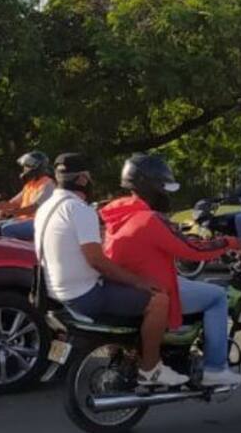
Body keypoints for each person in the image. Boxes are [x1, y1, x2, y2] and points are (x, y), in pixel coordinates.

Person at [32, 153, 184, 389]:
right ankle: (151, 369)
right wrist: (138, 281)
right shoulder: (78, 209)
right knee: (159, 299)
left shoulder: (47, 206)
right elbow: (97, 261)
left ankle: (123, 354)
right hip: (85, 296)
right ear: (82, 179)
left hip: (57, 294)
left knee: (124, 290)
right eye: (89, 178)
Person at [100, 155, 241, 388]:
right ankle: (215, 369)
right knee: (217, 296)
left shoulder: (120, 212)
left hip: (130, 284)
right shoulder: (149, 220)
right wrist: (230, 243)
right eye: (164, 188)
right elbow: (191, 248)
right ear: (151, 187)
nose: (167, 195)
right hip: (152, 289)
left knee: (195, 285)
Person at [0, 152, 55, 241]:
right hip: (24, 220)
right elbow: (13, 203)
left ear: (35, 167)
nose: (24, 169)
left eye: (26, 166)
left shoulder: (48, 184)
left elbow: (33, 208)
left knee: (7, 229)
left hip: (39, 222)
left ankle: (14, 254)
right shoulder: (29, 185)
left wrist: (10, 212)